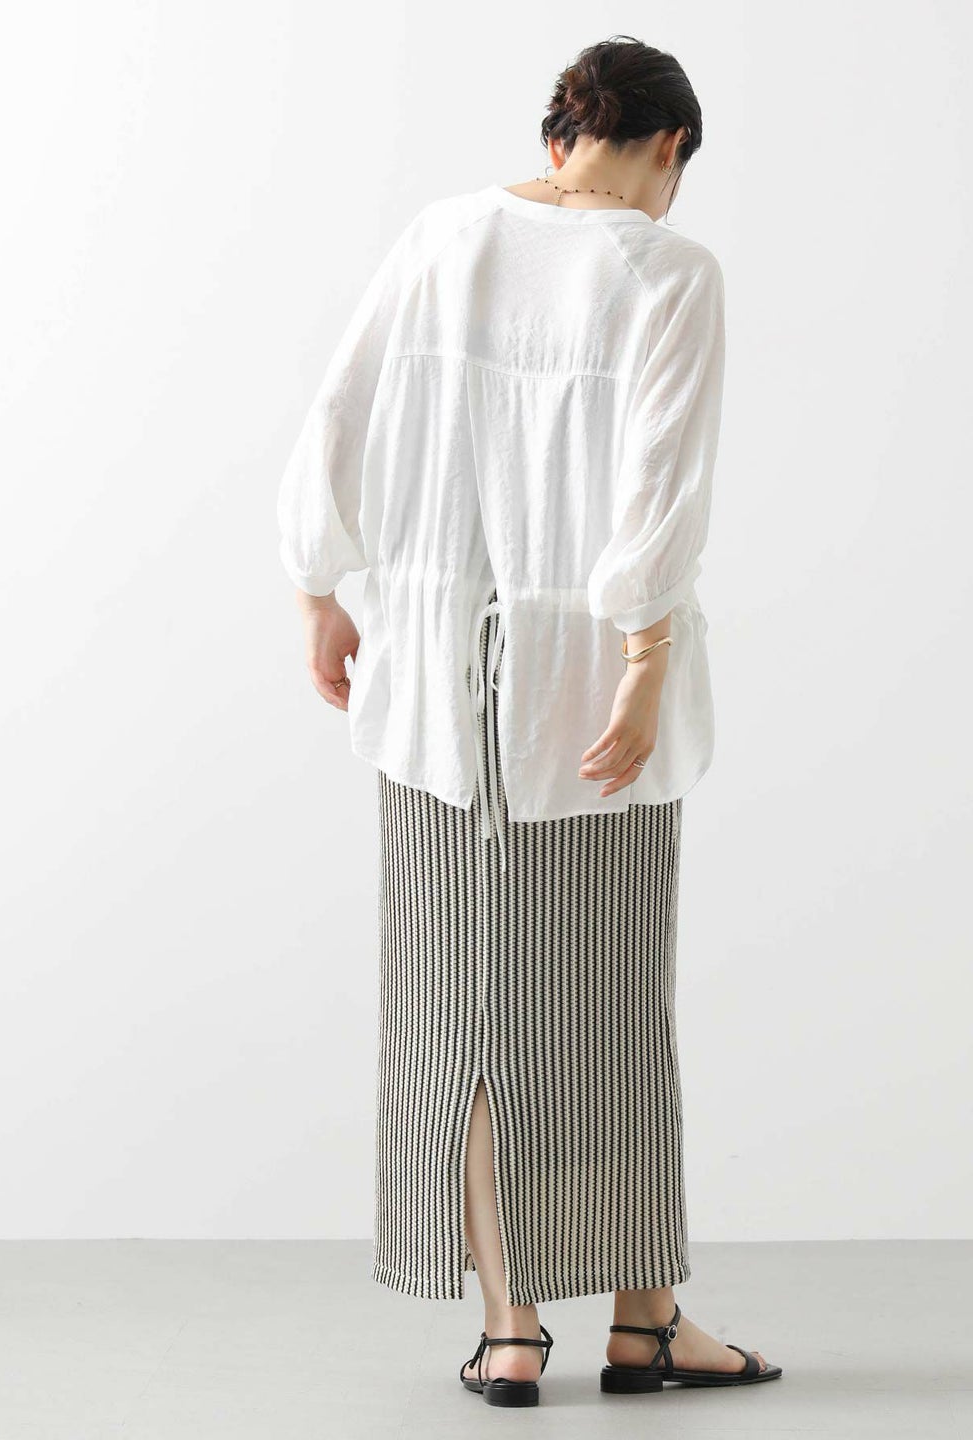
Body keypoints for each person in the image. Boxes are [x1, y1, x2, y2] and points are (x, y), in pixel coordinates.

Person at [276, 34, 782, 1408]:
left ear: (562, 132)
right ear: (669, 146)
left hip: (438, 685)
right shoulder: (669, 268)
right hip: (581, 688)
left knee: (461, 1005)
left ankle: (517, 1331)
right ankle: (641, 1321)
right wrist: (644, 657)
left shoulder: (444, 236)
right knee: (611, 1007)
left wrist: (321, 587)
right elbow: (660, 481)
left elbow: (342, 406)